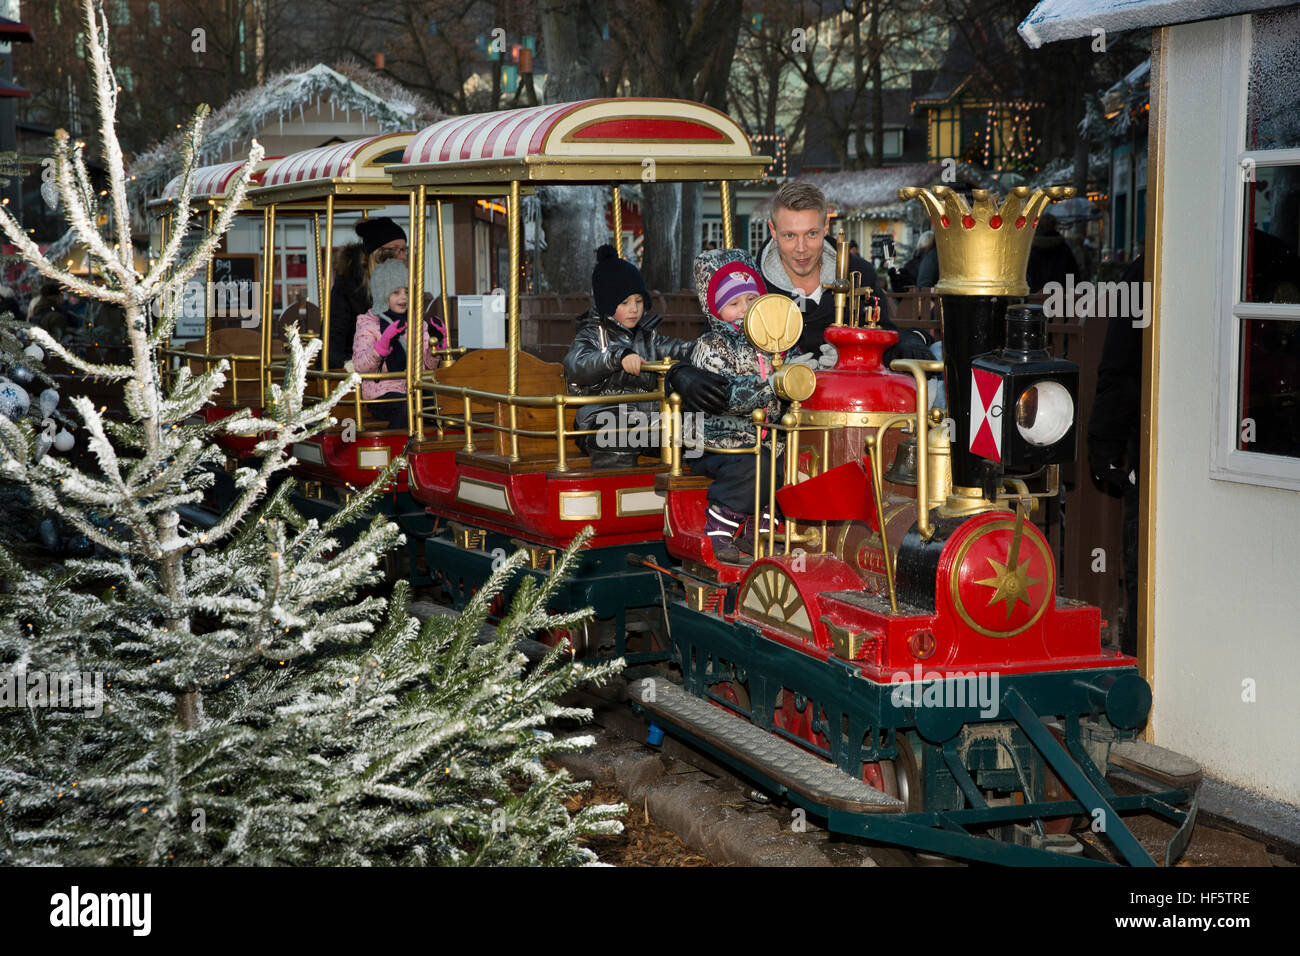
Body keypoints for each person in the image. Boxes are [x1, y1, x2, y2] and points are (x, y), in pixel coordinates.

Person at [689, 249, 816, 564]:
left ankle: (762, 527)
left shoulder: (777, 340)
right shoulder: (712, 346)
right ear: (716, 310)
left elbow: (795, 376)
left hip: (769, 437)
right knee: (753, 467)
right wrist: (772, 384)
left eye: (750, 300)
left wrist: (812, 370)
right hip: (719, 440)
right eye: (733, 304)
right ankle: (720, 526)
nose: (744, 310)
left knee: (793, 465)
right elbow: (726, 398)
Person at [757, 181, 932, 363]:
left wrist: (910, 339)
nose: (801, 248)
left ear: (826, 226)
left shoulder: (858, 274)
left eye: (811, 234)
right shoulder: (752, 288)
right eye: (790, 235)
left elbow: (884, 339)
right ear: (773, 231)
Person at [1088, 254, 1144, 656]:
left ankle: (1138, 656)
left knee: (1145, 549)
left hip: (1160, 437)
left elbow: (1121, 367)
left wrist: (1104, 449)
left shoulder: (1148, 268)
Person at [351, 259, 439, 432]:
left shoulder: (416, 324)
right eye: (396, 292)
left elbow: (428, 365)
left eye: (406, 292)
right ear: (382, 294)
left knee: (438, 403)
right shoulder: (369, 325)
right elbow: (360, 365)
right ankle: (399, 451)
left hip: (412, 388)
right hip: (381, 393)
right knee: (404, 407)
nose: (403, 297)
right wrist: (382, 345)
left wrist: (437, 347)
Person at [329, 217, 409, 370]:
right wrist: (350, 366)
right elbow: (333, 342)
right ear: (377, 254)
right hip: (357, 369)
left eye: (403, 250)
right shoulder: (349, 287)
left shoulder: (404, 286)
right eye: (395, 250)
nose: (402, 257)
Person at [1026, 212, 1080, 293]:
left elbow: (1027, 275)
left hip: (1035, 297)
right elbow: (1073, 275)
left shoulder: (1031, 249)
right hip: (1060, 297)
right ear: (1055, 226)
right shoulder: (1064, 248)